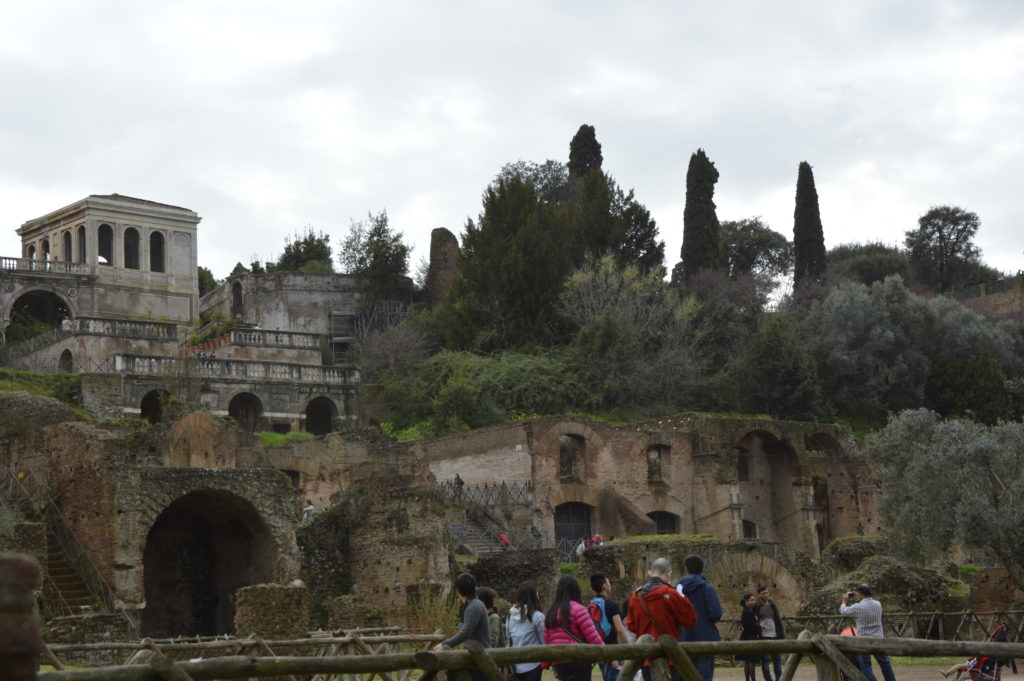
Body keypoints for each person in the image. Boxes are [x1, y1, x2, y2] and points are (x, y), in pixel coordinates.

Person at [626, 557, 697, 681]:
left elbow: (631, 625)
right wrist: (683, 597)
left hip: (646, 655)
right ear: (669, 574)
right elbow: (690, 620)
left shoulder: (635, 596)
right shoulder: (671, 593)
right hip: (670, 655)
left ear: (650, 573)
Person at [544, 574, 605, 681]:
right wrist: (607, 652)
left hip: (559, 662)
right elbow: (593, 637)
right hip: (578, 660)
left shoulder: (551, 612)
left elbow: (547, 639)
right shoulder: (579, 610)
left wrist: (547, 662)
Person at [435, 572, 491, 681]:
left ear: (458, 591)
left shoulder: (474, 606)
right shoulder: (469, 604)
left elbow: (465, 632)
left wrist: (444, 644)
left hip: (481, 658)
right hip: (476, 657)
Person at [676, 554, 723, 681]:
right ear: (702, 569)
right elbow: (716, 613)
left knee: (685, 675)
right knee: (704, 676)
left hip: (683, 637)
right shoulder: (707, 588)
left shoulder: (676, 589)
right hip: (705, 638)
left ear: (686, 569)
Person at [839, 585, 896, 681]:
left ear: (861, 594)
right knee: (885, 663)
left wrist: (844, 601)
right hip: (878, 639)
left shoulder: (858, 607)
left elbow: (843, 611)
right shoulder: (878, 604)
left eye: (858, 594)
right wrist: (858, 596)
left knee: (865, 665)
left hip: (863, 641)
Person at [590, 573, 631, 681]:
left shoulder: (591, 604)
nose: (610, 585)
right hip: (612, 650)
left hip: (598, 649)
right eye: (608, 582)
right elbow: (620, 629)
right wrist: (630, 647)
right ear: (604, 586)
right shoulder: (611, 604)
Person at [507, 581, 546, 681]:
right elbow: (544, 641)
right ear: (535, 596)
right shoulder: (538, 616)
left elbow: (508, 640)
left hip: (515, 664)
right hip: (534, 664)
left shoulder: (510, 616)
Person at [755, 584, 784, 681]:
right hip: (763, 636)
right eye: (763, 593)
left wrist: (781, 634)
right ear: (759, 595)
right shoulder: (757, 605)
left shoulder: (772, 604)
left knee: (777, 660)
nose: (766, 595)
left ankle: (779, 679)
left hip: (775, 635)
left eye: (767, 592)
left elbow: (778, 620)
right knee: (765, 660)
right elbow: (754, 620)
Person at [738, 594, 762, 681]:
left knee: (748, 660)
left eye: (754, 600)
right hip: (749, 638)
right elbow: (750, 626)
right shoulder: (747, 611)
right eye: (751, 600)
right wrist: (760, 627)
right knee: (751, 661)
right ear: (746, 601)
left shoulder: (748, 610)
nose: (754, 602)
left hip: (747, 637)